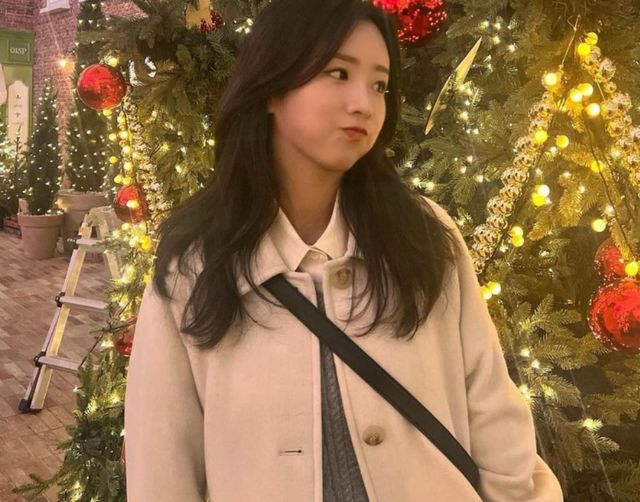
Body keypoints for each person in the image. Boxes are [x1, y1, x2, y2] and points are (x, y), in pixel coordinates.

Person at [124, 0, 564, 500]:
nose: (364, 103)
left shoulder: (424, 236)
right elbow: (161, 463)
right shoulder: (195, 261)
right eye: (339, 73)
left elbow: (492, 411)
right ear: (271, 87)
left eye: (379, 85)